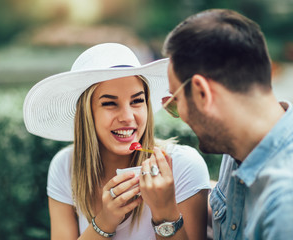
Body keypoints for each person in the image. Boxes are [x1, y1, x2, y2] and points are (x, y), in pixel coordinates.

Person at [23, 43, 211, 239]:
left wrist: (164, 212)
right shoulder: (65, 166)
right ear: (86, 114)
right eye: (110, 103)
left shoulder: (182, 165)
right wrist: (106, 220)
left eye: (137, 100)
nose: (128, 117)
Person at [162, 9, 293, 240]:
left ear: (202, 93)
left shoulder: (284, 204)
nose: (178, 114)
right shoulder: (236, 144)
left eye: (175, 102)